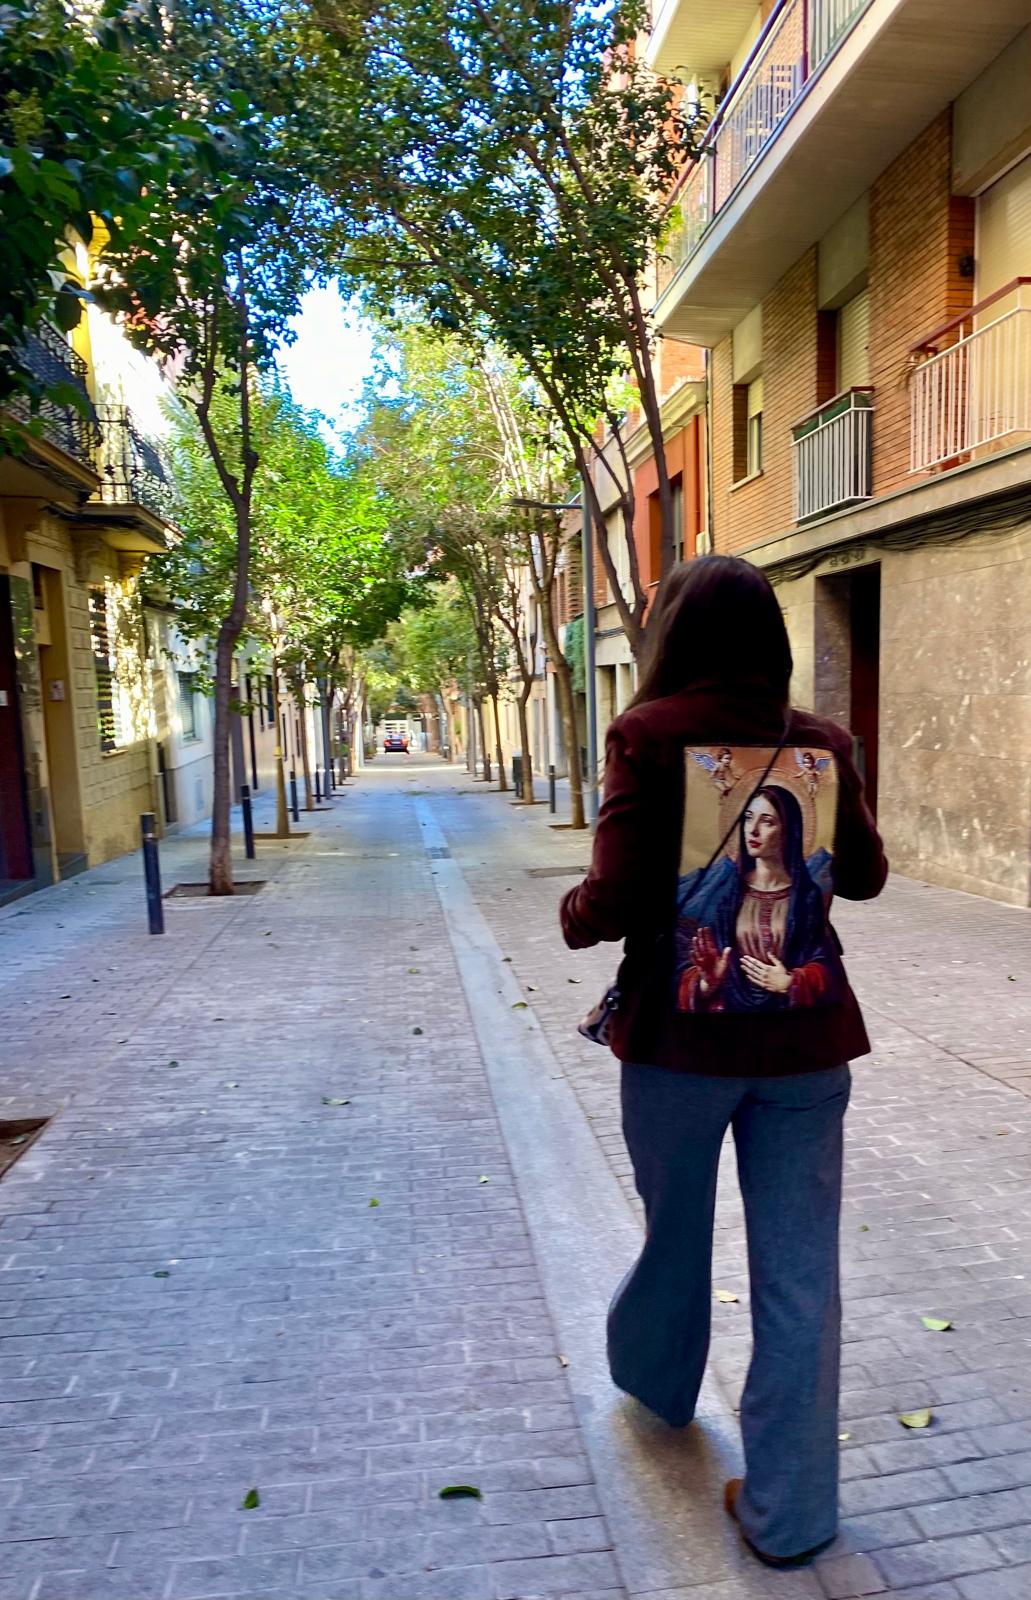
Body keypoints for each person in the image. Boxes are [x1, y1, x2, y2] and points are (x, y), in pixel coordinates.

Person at [560, 554, 886, 1570]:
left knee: (674, 1233)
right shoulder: (821, 741)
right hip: (804, 1048)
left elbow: (607, 903)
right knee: (799, 1279)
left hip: (678, 1049)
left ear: (670, 638)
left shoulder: (646, 735)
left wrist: (573, 911)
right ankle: (789, 1515)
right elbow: (865, 876)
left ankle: (659, 1387)